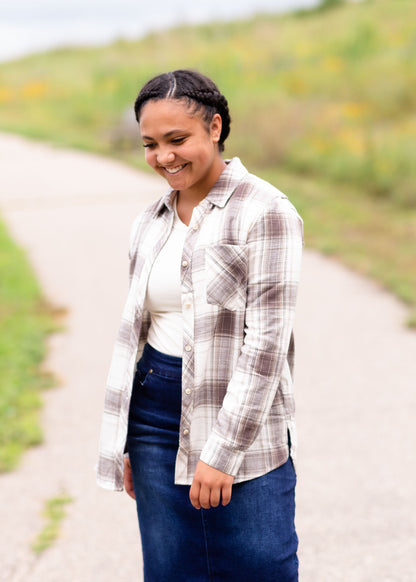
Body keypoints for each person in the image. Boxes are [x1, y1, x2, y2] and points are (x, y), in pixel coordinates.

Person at [97, 69, 303, 582]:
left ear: (214, 128)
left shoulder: (266, 210)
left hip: (240, 419)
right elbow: (136, 334)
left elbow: (267, 346)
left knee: (261, 567)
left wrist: (222, 451)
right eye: (150, 144)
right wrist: (129, 440)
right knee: (171, 570)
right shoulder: (150, 222)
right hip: (153, 415)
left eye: (177, 139)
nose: (164, 156)